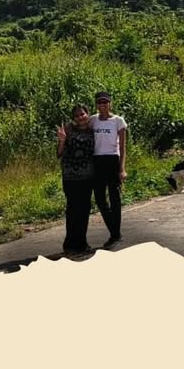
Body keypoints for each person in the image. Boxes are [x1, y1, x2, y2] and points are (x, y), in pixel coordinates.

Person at [56, 104, 96, 257]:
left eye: (83, 114)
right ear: (74, 118)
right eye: (77, 115)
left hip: (88, 175)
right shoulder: (67, 129)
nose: (81, 117)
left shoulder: (93, 130)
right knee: (72, 209)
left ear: (88, 114)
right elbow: (59, 153)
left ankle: (82, 243)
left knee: (84, 210)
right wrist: (62, 140)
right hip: (70, 176)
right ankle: (70, 244)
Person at [89, 92, 128, 250]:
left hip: (112, 159)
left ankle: (115, 235)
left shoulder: (118, 121)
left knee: (114, 197)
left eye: (105, 102)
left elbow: (123, 147)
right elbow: (81, 128)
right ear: (97, 105)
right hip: (97, 160)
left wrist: (122, 168)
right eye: (100, 103)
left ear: (110, 104)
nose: (103, 105)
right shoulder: (93, 120)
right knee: (100, 198)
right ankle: (114, 230)